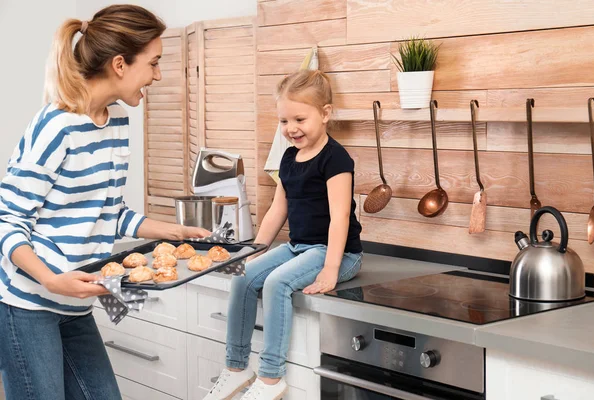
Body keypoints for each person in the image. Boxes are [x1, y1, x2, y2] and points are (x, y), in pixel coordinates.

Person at [0, 5, 210, 400]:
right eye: (154, 63)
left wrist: (176, 231)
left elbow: (107, 213)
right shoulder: (56, 126)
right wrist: (50, 279)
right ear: (119, 64)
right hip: (29, 304)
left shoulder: (115, 121)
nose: (158, 75)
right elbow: (7, 221)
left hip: (76, 300)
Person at [205, 70, 363, 400]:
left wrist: (331, 269)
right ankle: (236, 369)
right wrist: (255, 252)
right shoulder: (288, 157)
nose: (291, 128)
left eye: (300, 119)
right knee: (243, 277)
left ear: (325, 114)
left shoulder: (336, 159)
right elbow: (279, 209)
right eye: (284, 120)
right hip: (298, 247)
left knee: (278, 284)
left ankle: (271, 378)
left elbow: (340, 219)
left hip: (336, 253)